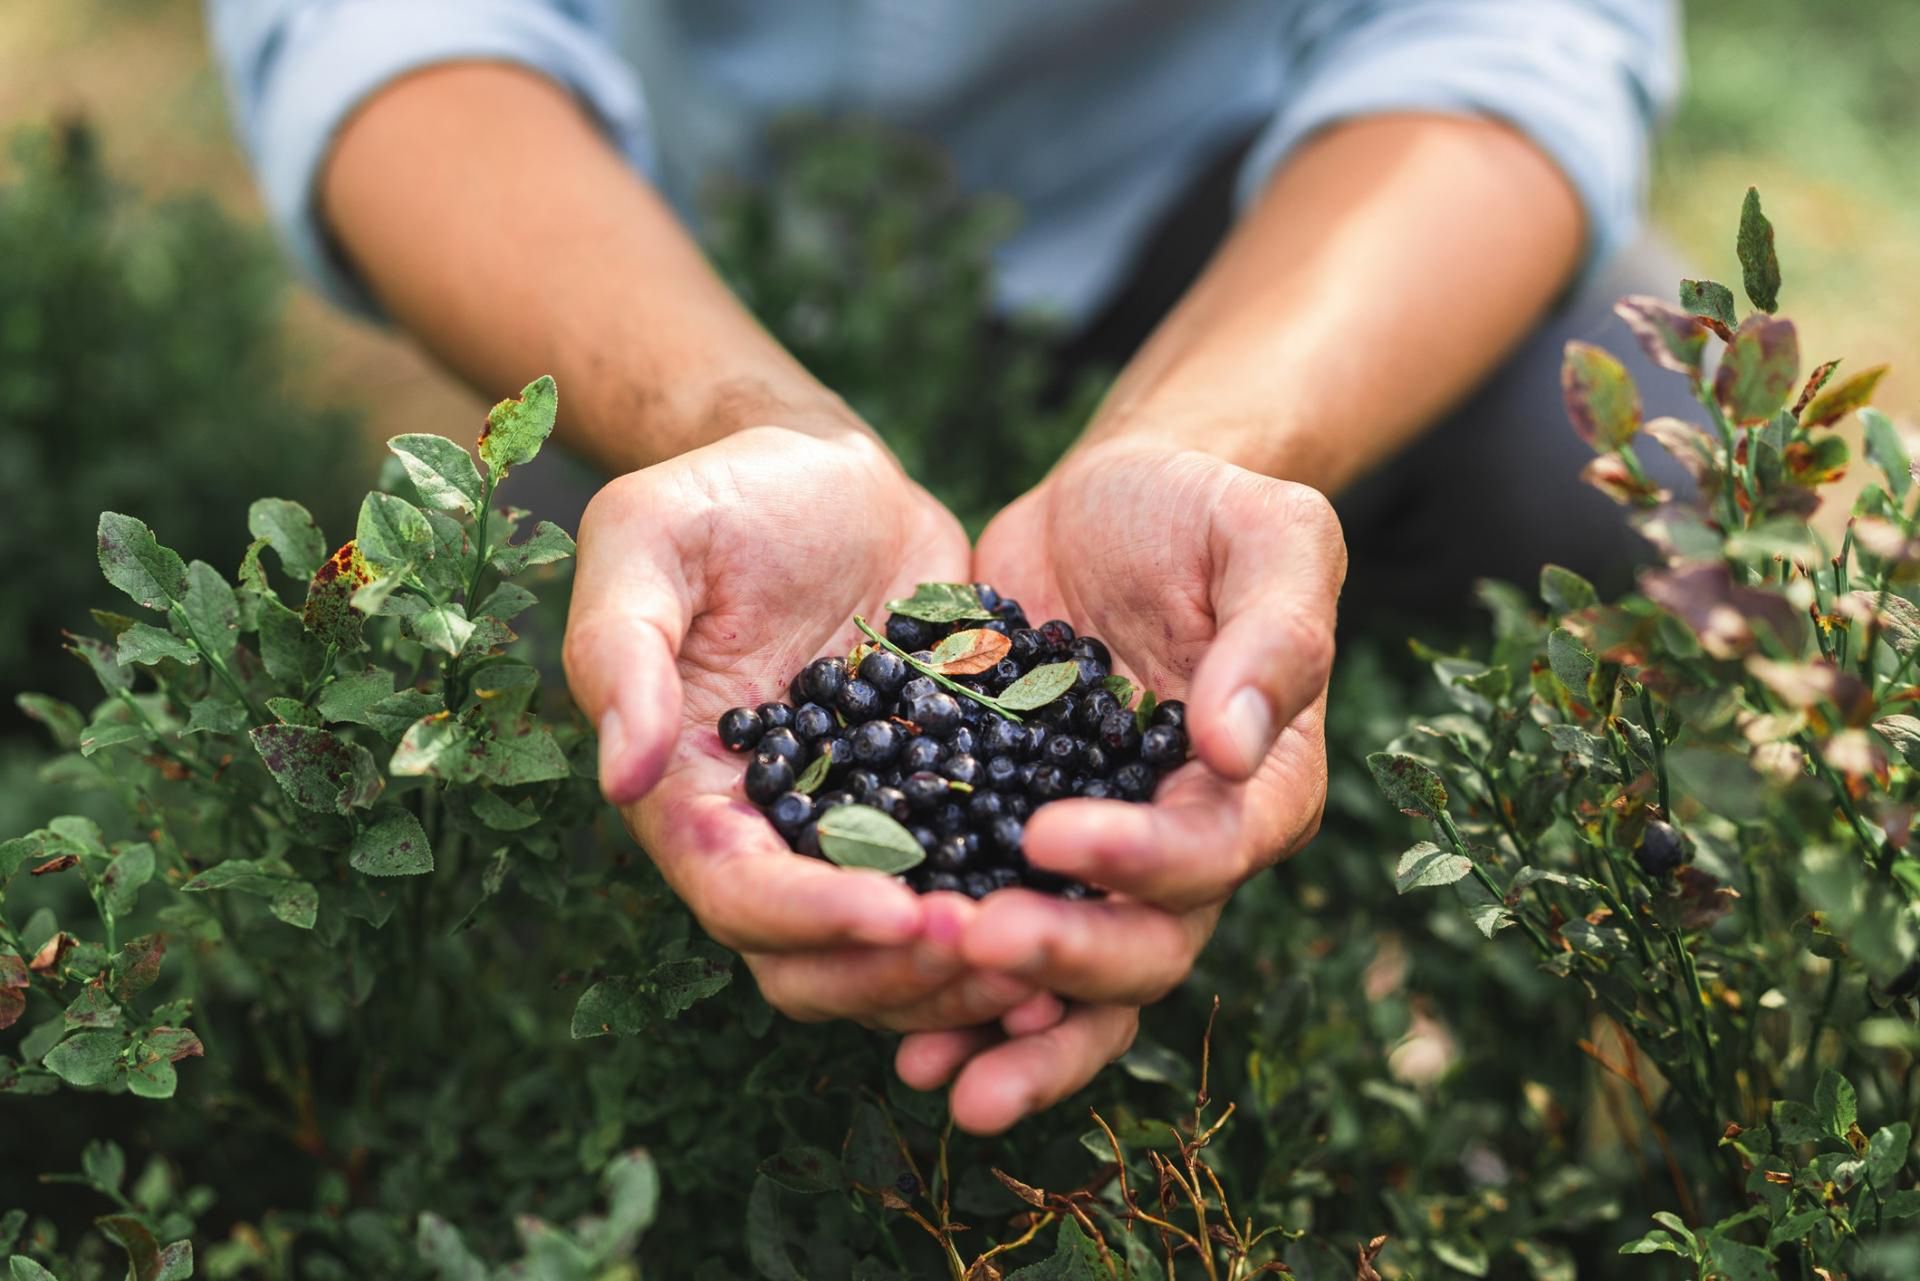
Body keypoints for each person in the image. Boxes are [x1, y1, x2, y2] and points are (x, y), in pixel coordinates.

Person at [206, 0, 1680, 1136]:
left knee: (1633, 466)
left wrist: (1209, 439)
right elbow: (390, 33)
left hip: (1254, 225)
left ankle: (1575, 1074)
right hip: (666, 262)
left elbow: (1508, 37)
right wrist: (727, 417)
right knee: (527, 719)